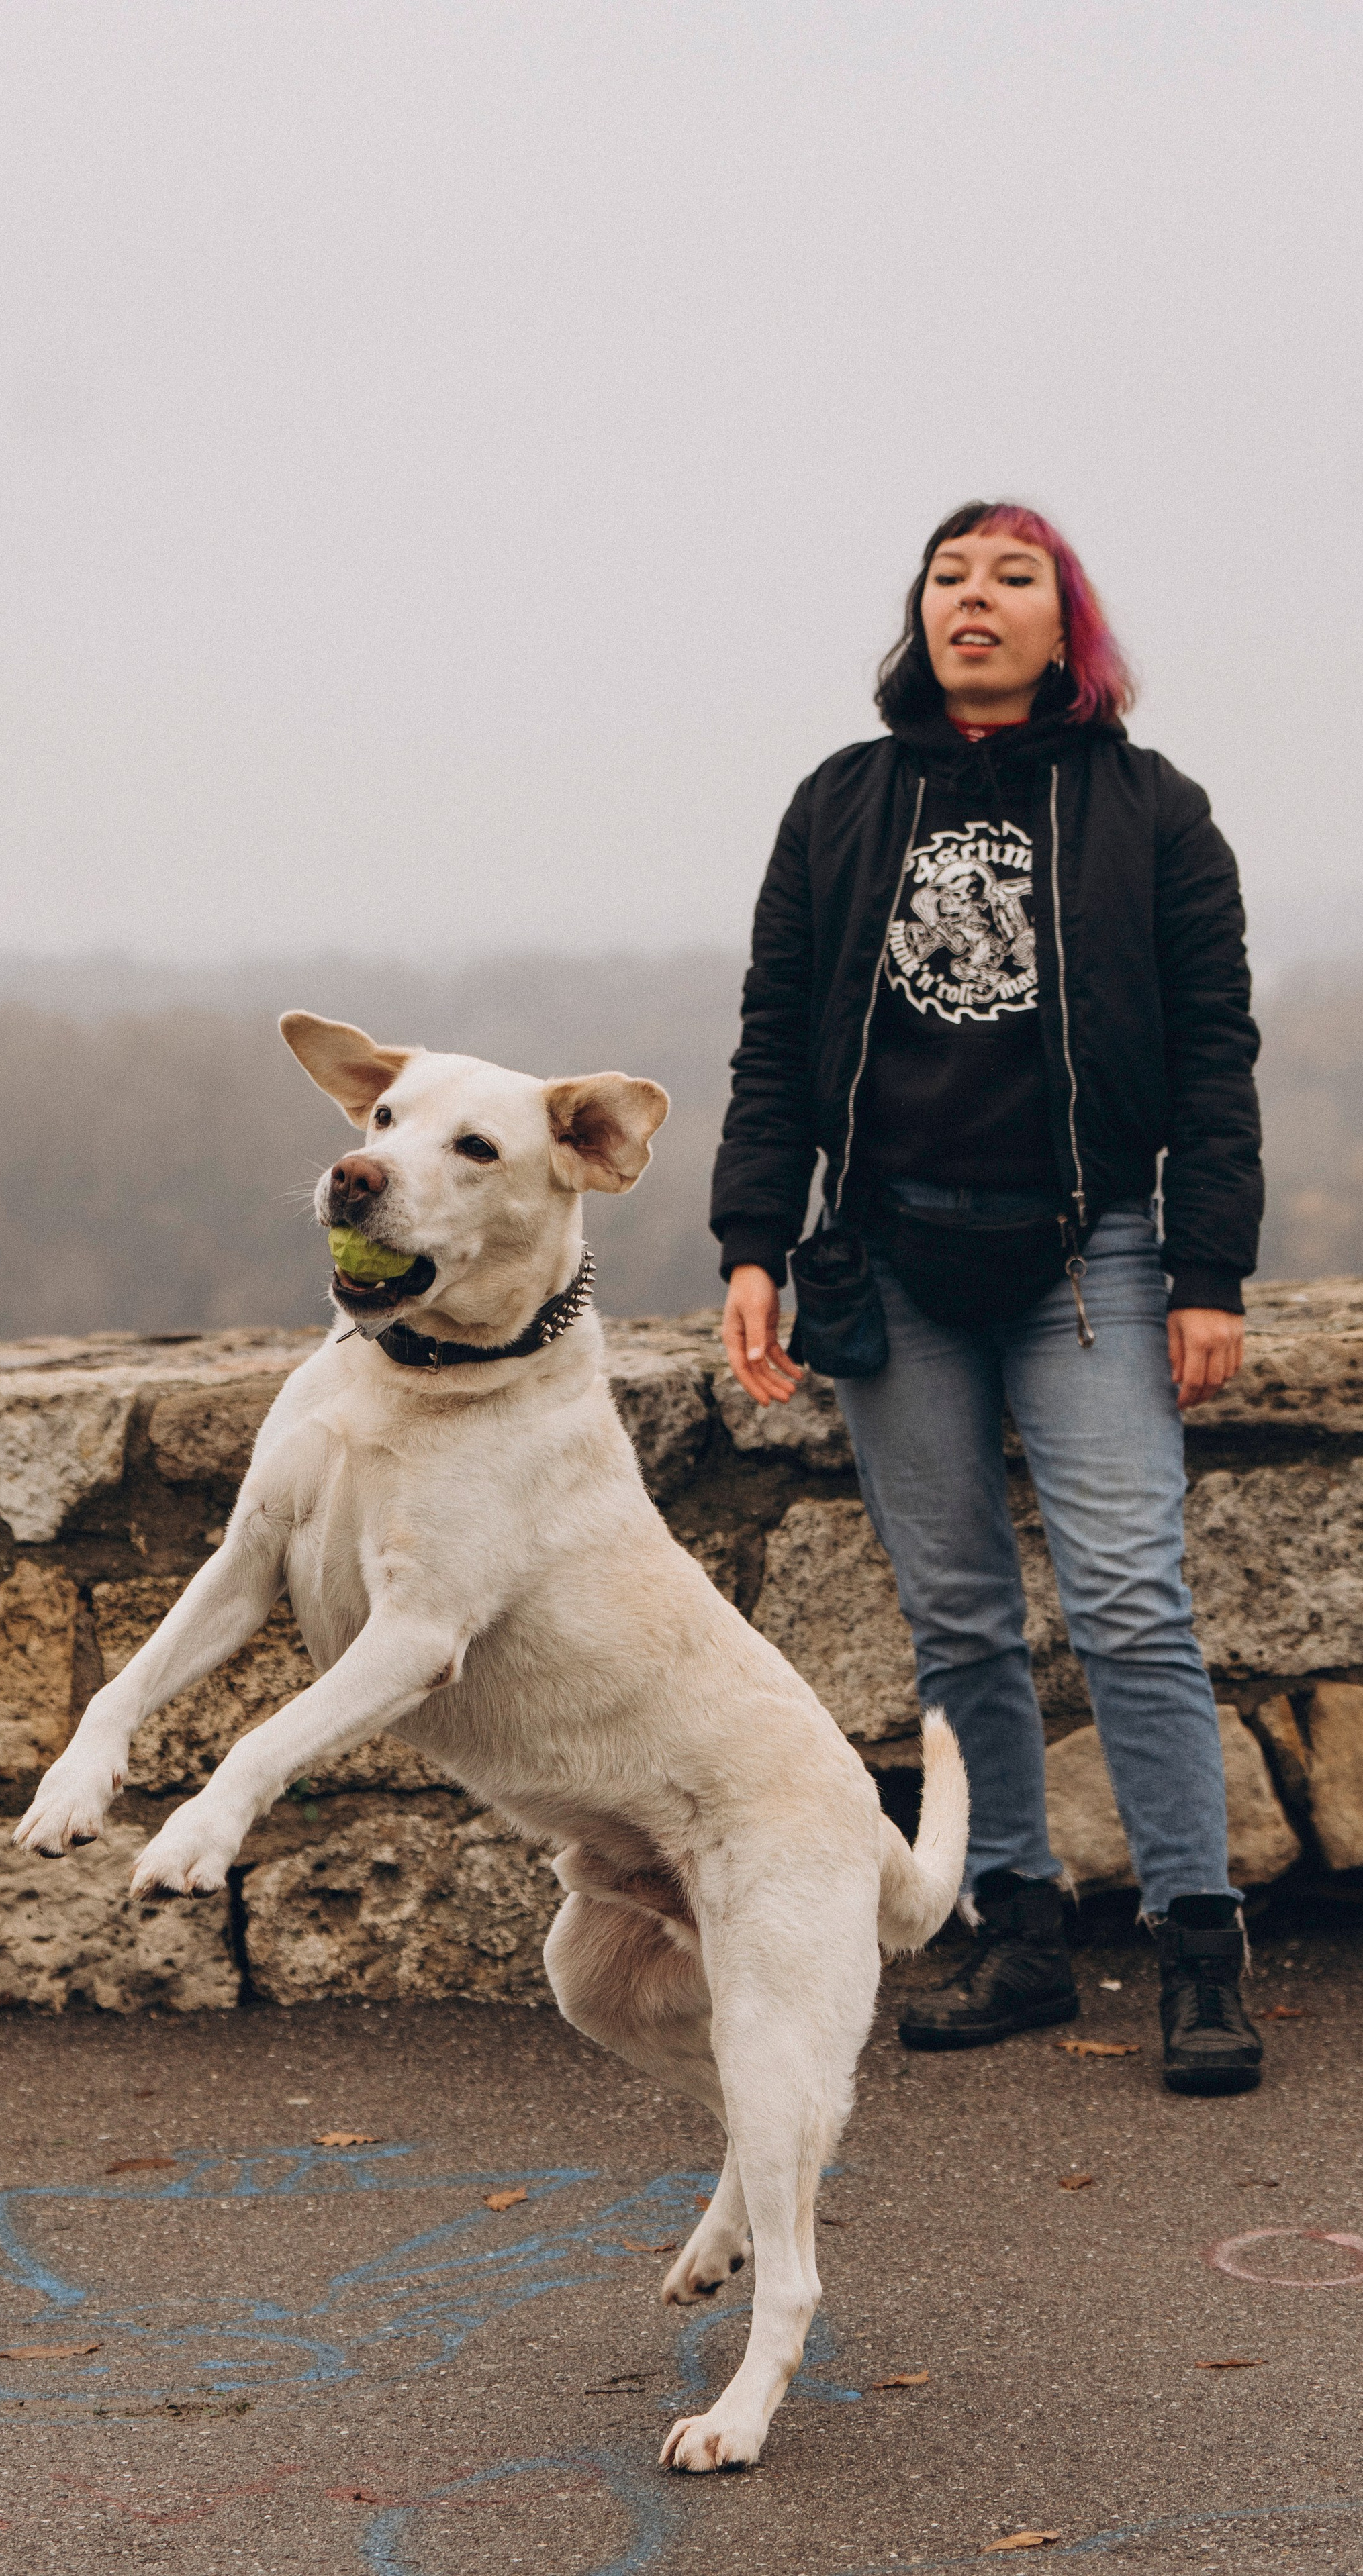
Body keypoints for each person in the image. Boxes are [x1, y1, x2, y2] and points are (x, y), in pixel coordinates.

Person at [711, 500, 1264, 2096]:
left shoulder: (1151, 813)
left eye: (1009, 577)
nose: (974, 598)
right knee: (956, 1616)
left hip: (1088, 1258)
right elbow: (773, 1039)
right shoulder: (841, 802)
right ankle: (1009, 1922)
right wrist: (753, 1236)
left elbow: (1211, 1054)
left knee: (1129, 1602)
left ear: (1061, 623)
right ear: (920, 616)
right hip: (888, 1253)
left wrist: (1204, 1268)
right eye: (948, 577)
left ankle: (1194, 1943)